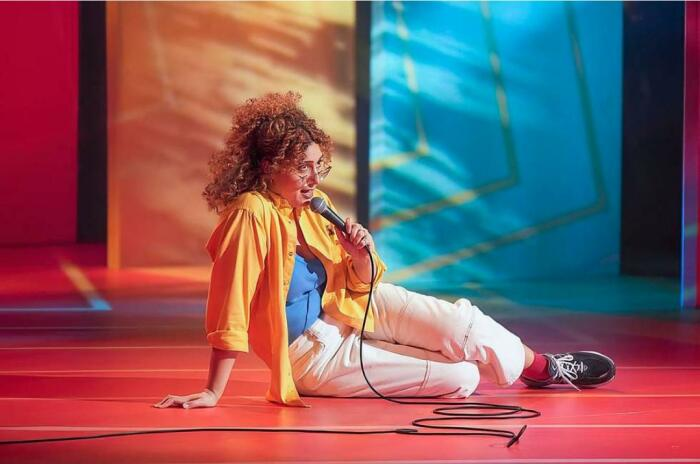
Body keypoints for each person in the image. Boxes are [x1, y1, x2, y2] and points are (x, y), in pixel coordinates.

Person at [154, 92, 615, 409]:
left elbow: (364, 283)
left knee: (461, 325)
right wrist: (213, 391)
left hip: (354, 308)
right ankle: (456, 361)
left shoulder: (314, 206)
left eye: (318, 166)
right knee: (463, 377)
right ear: (268, 166)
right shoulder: (250, 214)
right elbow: (230, 305)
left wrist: (359, 257)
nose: (314, 178)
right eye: (302, 168)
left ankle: (543, 367)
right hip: (312, 354)